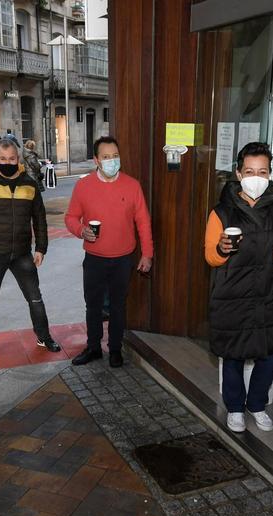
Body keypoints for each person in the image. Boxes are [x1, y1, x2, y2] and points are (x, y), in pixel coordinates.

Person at [203, 142, 273, 433]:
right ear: (238, 173)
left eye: (263, 171)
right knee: (234, 353)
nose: (256, 177)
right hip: (233, 292)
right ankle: (234, 407)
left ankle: (257, 404)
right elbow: (210, 256)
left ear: (270, 174)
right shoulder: (221, 212)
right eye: (249, 171)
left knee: (270, 355)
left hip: (268, 292)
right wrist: (221, 248)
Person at [65, 136, 153, 368]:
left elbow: (143, 221)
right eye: (106, 157)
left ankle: (115, 349)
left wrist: (147, 253)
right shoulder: (83, 186)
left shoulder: (132, 185)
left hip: (124, 258)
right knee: (92, 305)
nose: (112, 161)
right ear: (96, 160)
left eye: (115, 156)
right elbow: (70, 217)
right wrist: (81, 231)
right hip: (94, 258)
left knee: (117, 306)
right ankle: (93, 347)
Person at [0, 139, 61, 352]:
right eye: (3, 159)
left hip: (22, 254)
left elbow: (39, 218)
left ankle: (44, 337)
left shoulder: (29, 183)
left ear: (17, 158)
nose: (7, 162)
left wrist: (41, 248)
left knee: (35, 298)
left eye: (12, 158)